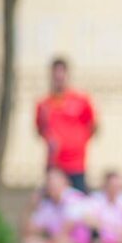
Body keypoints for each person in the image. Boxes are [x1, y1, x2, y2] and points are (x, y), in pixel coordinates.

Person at [36, 58, 97, 193]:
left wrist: (78, 142)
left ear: (67, 74)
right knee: (51, 206)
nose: (59, 76)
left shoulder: (81, 100)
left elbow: (92, 126)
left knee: (79, 204)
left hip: (76, 164)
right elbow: (40, 129)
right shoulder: (44, 104)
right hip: (54, 164)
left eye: (61, 72)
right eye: (55, 73)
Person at [21, 169, 90, 243]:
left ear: (65, 183)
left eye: (54, 182)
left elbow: (65, 231)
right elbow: (29, 231)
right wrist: (31, 208)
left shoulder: (74, 198)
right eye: (49, 182)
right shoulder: (47, 204)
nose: (51, 185)